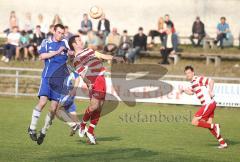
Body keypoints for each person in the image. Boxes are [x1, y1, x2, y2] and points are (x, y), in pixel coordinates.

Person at [68, 35, 123, 144]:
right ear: (74, 44)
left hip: (102, 78)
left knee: (99, 108)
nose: (81, 41)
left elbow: (102, 55)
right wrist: (89, 83)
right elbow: (82, 73)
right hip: (94, 82)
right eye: (78, 40)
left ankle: (91, 131)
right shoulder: (76, 59)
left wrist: (115, 58)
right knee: (94, 106)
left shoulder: (89, 50)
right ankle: (83, 125)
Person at [28, 24, 69, 145]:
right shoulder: (46, 42)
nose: (60, 35)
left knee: (53, 109)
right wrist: (57, 52)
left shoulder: (65, 43)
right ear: (54, 31)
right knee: (43, 102)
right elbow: (41, 56)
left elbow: (71, 52)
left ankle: (43, 132)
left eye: (62, 33)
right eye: (59, 32)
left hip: (59, 80)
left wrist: (72, 53)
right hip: (47, 78)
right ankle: (32, 128)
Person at [179, 66, 228, 149]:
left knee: (194, 122)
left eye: (189, 73)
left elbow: (211, 81)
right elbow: (191, 92)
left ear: (193, 73)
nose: (187, 75)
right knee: (208, 125)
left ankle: (215, 126)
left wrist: (211, 90)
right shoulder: (193, 83)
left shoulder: (198, 79)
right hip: (211, 104)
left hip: (208, 104)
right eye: (186, 73)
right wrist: (183, 90)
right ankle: (222, 143)